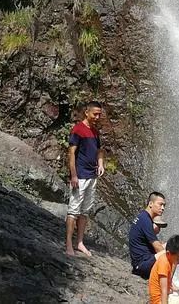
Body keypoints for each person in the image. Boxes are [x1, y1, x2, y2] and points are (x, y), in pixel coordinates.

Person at [65, 100, 104, 257]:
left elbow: (100, 151)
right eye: (95, 113)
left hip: (92, 175)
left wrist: (101, 164)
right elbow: (71, 153)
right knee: (73, 210)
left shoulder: (95, 132)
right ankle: (68, 243)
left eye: (99, 114)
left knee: (85, 211)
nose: (97, 116)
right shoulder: (78, 129)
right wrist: (73, 175)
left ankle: (79, 242)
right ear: (86, 112)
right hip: (80, 176)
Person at [129, 191, 167, 278]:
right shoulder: (145, 221)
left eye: (164, 205)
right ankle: (169, 285)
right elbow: (158, 249)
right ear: (150, 203)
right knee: (174, 249)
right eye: (160, 204)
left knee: (170, 245)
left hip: (142, 262)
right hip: (142, 266)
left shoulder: (143, 217)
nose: (163, 208)